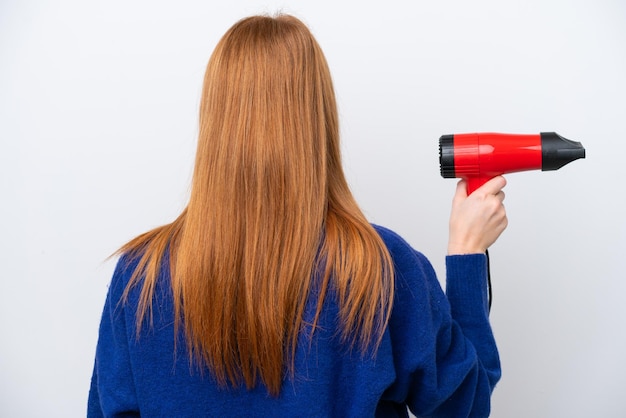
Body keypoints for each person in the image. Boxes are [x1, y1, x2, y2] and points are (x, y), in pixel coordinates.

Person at [88, 14, 507, 418]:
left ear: (214, 120)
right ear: (318, 117)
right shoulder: (382, 268)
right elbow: (466, 408)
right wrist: (466, 252)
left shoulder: (139, 278)